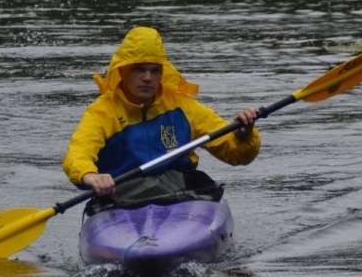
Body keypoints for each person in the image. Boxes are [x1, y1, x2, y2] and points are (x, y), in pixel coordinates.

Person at [62, 26, 261, 210]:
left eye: (155, 70)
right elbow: (79, 152)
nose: (148, 77)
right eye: (139, 69)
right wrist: (89, 175)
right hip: (123, 197)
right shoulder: (102, 112)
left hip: (181, 190)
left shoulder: (182, 106)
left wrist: (244, 135)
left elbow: (236, 155)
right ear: (122, 71)